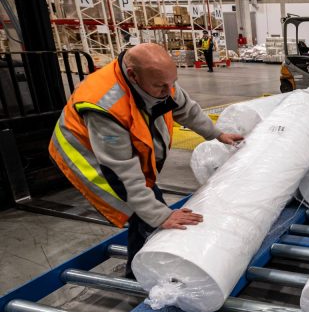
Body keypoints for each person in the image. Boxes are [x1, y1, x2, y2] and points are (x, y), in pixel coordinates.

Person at [48, 43, 244, 277]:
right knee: (145, 213)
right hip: (89, 156)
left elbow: (186, 109)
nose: (168, 89)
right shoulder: (105, 106)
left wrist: (217, 134)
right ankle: (141, 277)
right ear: (133, 75)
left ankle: (140, 268)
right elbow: (122, 171)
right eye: (161, 86)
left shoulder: (159, 81)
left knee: (147, 208)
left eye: (172, 82)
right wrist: (160, 215)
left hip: (121, 152)